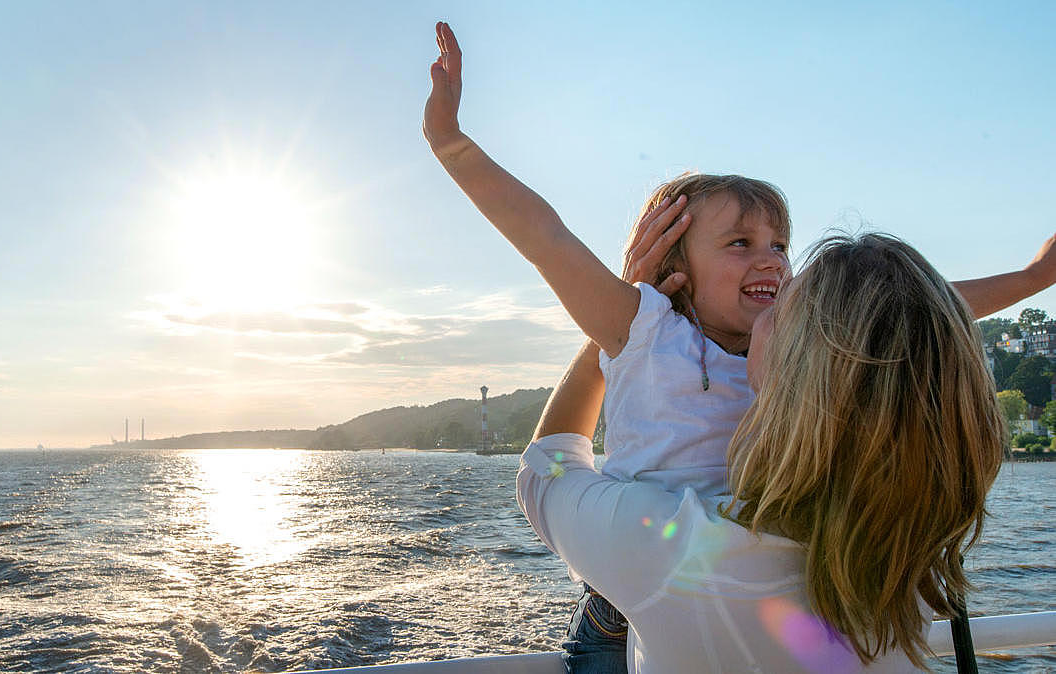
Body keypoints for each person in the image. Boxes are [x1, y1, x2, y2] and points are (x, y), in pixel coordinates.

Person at [423, 20, 1055, 674]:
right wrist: (451, 143)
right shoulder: (644, 325)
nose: (773, 262)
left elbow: (910, 309)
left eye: (780, 244)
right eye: (740, 244)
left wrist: (1034, 279)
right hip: (626, 588)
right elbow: (546, 239)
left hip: (671, 557)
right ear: (678, 263)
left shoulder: (799, 328)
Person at [518, 232, 1009, 671]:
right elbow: (905, 331)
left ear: (801, 372)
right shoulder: (913, 556)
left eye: (781, 310)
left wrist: (619, 329)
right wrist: (1035, 276)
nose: (762, 314)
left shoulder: (675, 550)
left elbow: (545, 468)